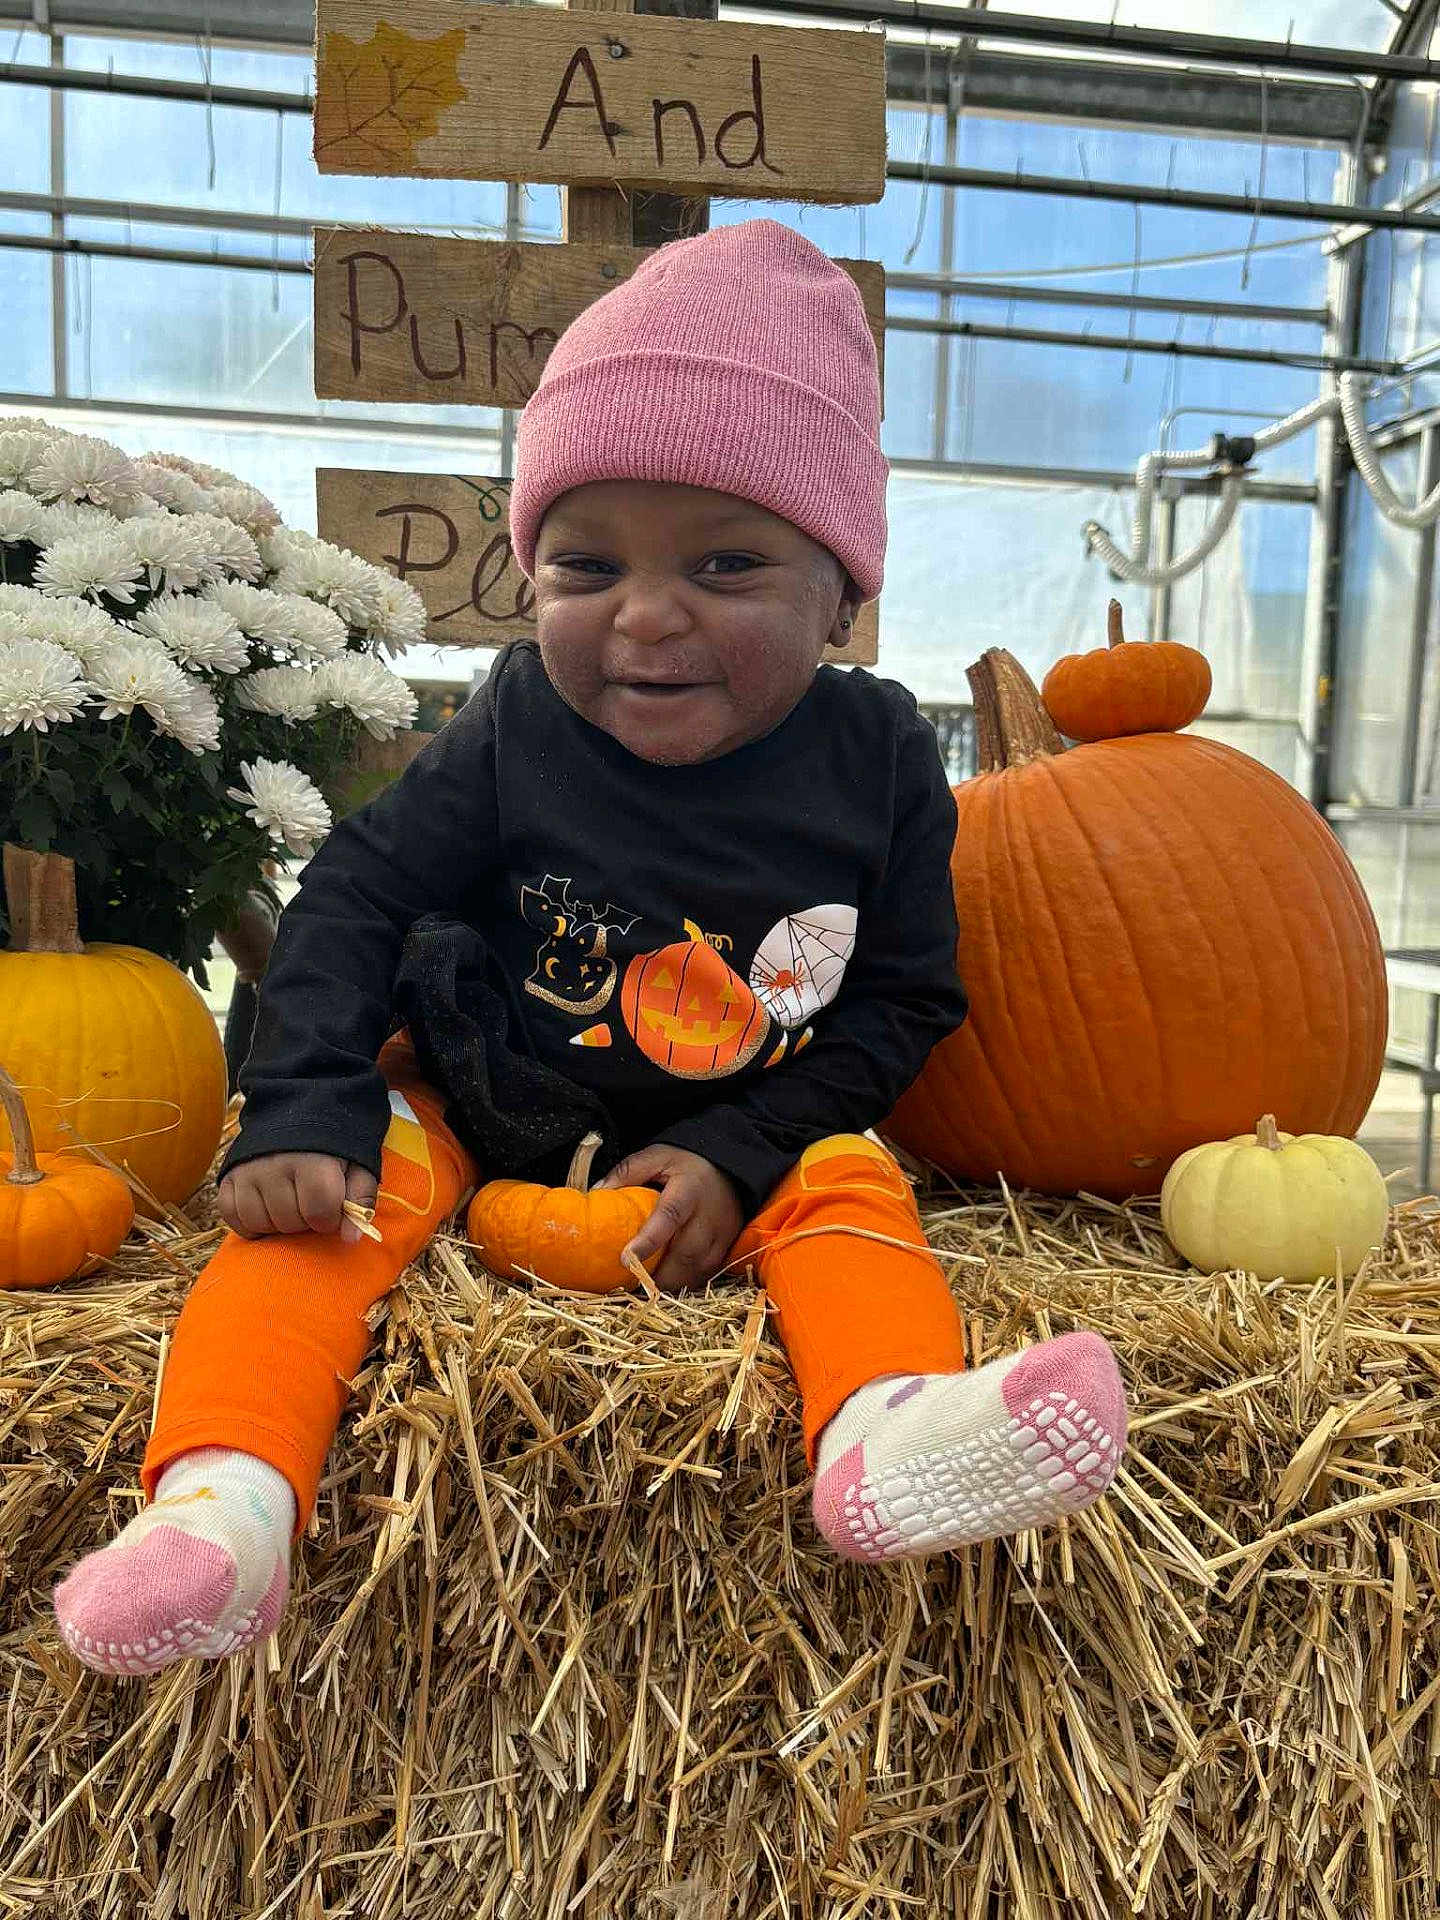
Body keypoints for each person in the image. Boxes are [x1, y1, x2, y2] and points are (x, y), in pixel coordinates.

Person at [54, 221, 1126, 1676]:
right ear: (532, 573)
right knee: (323, 1212)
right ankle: (220, 1502)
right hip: (491, 1100)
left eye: (728, 563)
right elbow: (359, 888)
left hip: (732, 1128)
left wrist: (745, 1143)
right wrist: (301, 1098)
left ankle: (884, 1431)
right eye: (585, 562)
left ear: (845, 593)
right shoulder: (516, 723)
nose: (646, 614)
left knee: (852, 1184)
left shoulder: (876, 760)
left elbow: (903, 1000)